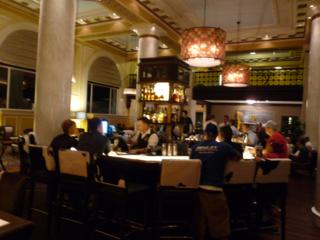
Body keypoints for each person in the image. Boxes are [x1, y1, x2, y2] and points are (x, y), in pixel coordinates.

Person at [190, 123, 240, 240]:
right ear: (217, 134)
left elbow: (192, 163)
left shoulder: (194, 147)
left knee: (199, 222)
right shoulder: (224, 147)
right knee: (220, 223)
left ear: (205, 134)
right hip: (214, 190)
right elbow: (238, 157)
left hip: (197, 191)